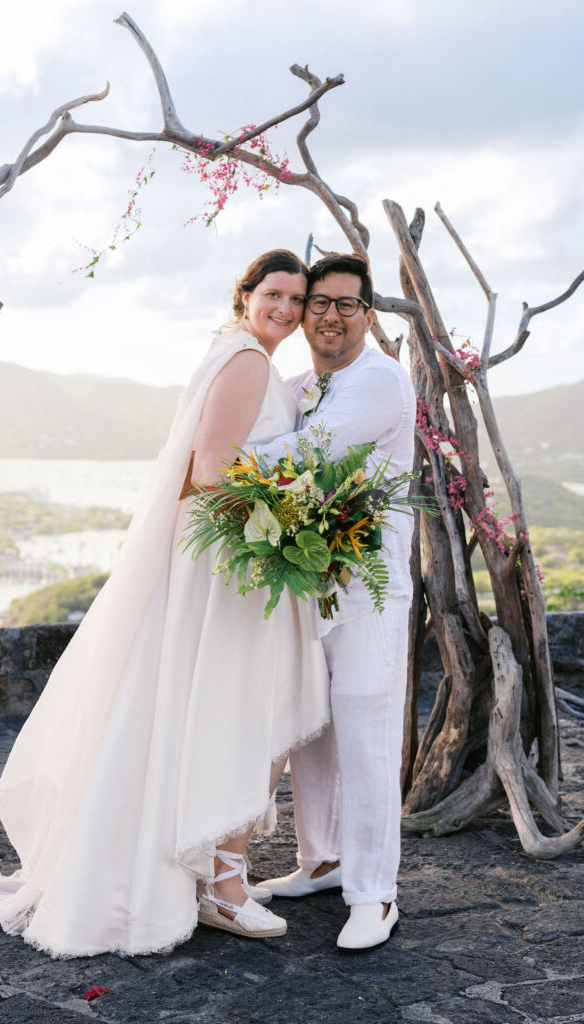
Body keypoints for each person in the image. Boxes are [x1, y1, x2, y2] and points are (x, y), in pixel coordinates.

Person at [0, 250, 331, 957]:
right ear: (244, 297)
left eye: (297, 299)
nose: (286, 310)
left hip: (219, 555)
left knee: (203, 710)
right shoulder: (247, 362)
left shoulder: (235, 355)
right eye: (274, 294)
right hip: (227, 560)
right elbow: (210, 472)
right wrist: (288, 516)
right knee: (232, 710)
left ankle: (208, 870)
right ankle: (222, 886)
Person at [255, 253, 416, 951]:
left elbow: (304, 455)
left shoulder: (378, 379)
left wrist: (212, 456)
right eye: (318, 302)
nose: (328, 315)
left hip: (368, 589)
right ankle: (318, 859)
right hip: (309, 581)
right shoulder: (301, 382)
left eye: (345, 304)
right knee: (311, 729)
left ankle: (374, 894)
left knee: (366, 728)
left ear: (367, 314)